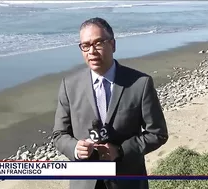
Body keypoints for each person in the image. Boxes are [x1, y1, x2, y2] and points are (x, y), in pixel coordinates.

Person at [52, 17, 168, 189]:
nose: (92, 51)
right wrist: (75, 148)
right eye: (85, 45)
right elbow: (59, 134)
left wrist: (120, 151)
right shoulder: (69, 86)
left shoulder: (139, 83)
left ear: (113, 45)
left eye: (98, 43)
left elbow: (157, 133)